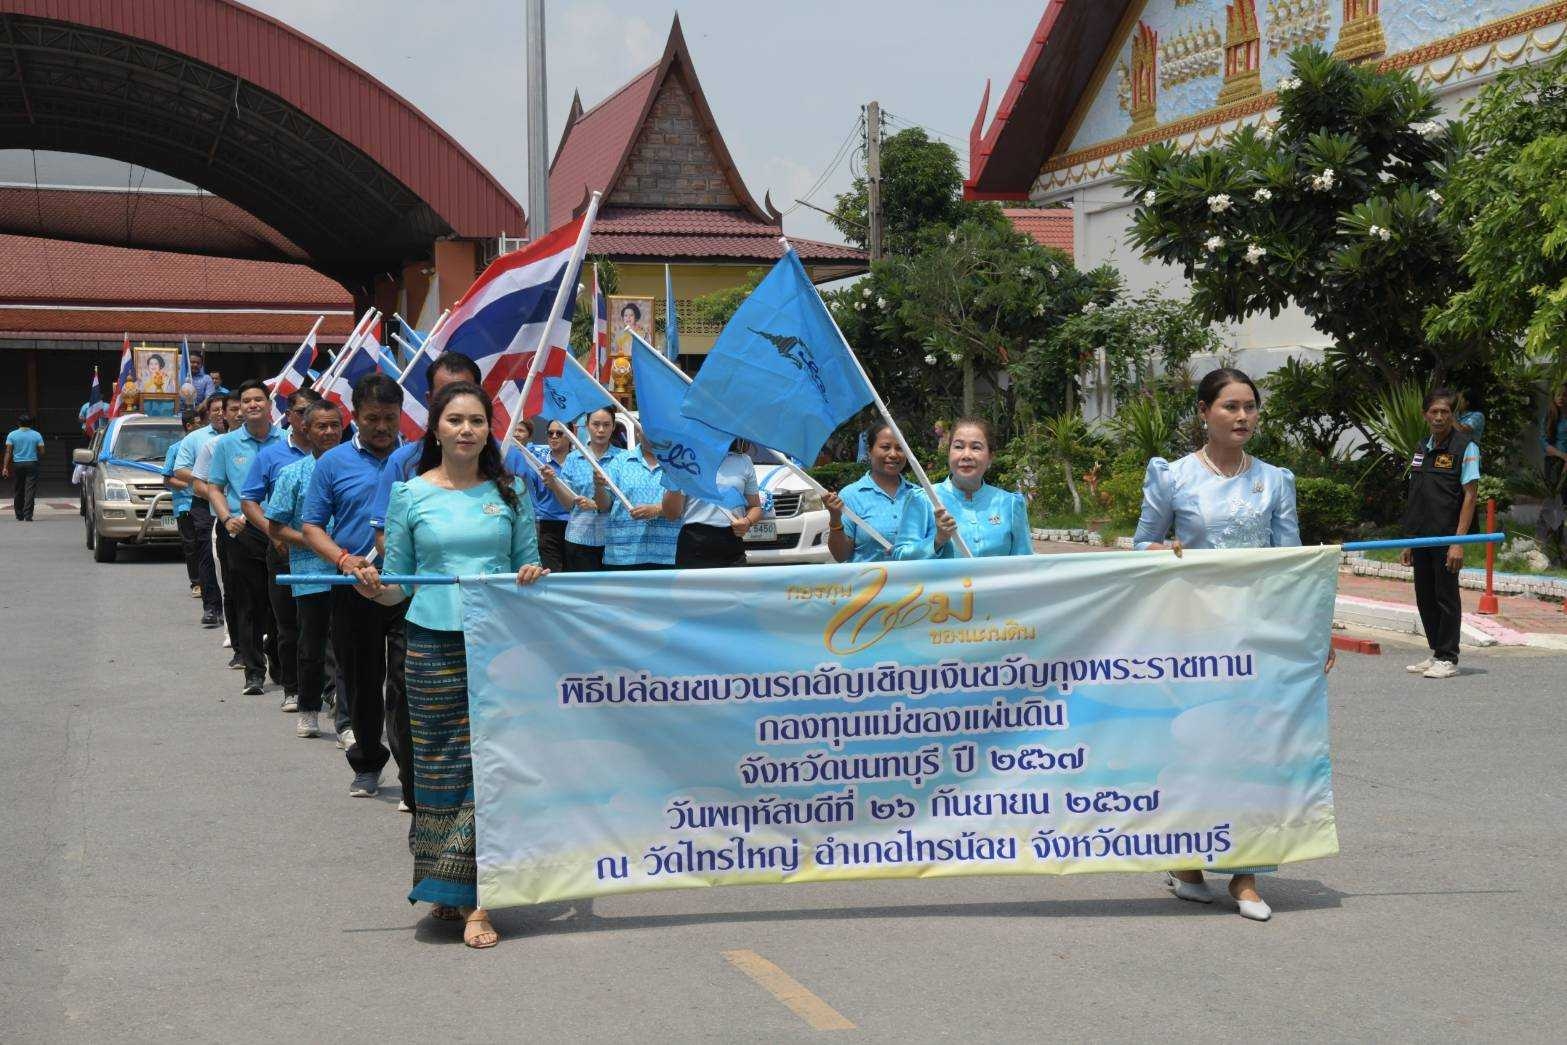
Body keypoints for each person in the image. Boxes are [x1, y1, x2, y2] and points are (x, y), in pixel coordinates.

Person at [1133, 366, 1331, 923]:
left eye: (1250, 407)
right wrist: (1161, 551)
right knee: (1197, 748)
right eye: (1230, 407)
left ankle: (1247, 877)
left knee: (1259, 751)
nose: (1243, 417)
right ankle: (1189, 865)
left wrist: (1315, 633)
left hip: (1260, 636)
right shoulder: (1172, 478)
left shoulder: (1275, 480)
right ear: (1204, 412)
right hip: (1193, 639)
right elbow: (1140, 546)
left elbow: (1293, 565)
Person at [357, 381, 545, 949]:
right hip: (430, 645)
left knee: (490, 765)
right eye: (456, 419)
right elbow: (399, 587)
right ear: (435, 427)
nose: (467, 430)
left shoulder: (511, 494)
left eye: (477, 421)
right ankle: (446, 882)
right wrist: (374, 589)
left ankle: (480, 902)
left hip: (499, 648)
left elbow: (529, 568)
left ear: (490, 430)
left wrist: (533, 579)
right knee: (437, 766)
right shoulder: (409, 495)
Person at [301, 373, 412, 804]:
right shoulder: (332, 463)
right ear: (356, 417)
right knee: (362, 680)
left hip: (408, 586)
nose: (381, 427)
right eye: (371, 419)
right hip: (353, 587)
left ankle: (412, 776)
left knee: (404, 683)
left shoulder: (417, 459)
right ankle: (366, 762)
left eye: (389, 418)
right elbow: (311, 526)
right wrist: (345, 560)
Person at [264, 399, 345, 741]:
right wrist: (315, 542)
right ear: (305, 430)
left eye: (334, 425)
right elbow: (276, 526)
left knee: (346, 647)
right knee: (311, 646)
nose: (328, 432)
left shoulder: (356, 468)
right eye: (320, 426)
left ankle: (347, 715)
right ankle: (308, 707)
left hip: (352, 573)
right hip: (310, 573)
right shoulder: (292, 474)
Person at [199, 379, 283, 697]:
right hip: (240, 530)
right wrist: (226, 518)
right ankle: (253, 670)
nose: (252, 405)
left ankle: (279, 662)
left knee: (279, 602)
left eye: (258, 399)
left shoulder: (286, 442)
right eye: (246, 400)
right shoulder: (226, 445)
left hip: (277, 530)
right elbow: (214, 487)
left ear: (269, 404)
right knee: (248, 602)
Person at [240, 389, 320, 713]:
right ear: (288, 416)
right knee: (287, 624)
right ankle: (293, 687)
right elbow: (249, 501)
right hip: (284, 549)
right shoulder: (272, 456)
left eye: (312, 411)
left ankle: (325, 689)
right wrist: (273, 534)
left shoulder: (334, 456)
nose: (306, 418)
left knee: (322, 624)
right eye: (300, 412)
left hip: (324, 553)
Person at [1399, 387, 1480, 681]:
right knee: (1425, 596)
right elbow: (1416, 493)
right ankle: (1436, 652)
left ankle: (1448, 656)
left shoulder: (1465, 447)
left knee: (1446, 597)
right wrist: (1409, 539)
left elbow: (1470, 496)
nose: (1439, 417)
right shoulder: (1422, 447)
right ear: (1425, 415)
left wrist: (1458, 543)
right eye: (1433, 411)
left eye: (1445, 412)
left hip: (1447, 537)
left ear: (1452, 415)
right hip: (1421, 535)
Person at [893, 419, 1031, 559]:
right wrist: (938, 540)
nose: (966, 455)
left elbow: (1025, 565)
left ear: (990, 457)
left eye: (976, 447)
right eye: (958, 447)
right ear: (948, 453)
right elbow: (900, 557)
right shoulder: (924, 499)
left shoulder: (1010, 503)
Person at [659, 440, 764, 569]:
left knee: (735, 589)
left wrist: (747, 522)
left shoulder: (744, 461)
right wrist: (674, 480)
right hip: (694, 543)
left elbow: (755, 507)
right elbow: (671, 514)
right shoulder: (686, 458)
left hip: (732, 542)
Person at [823, 424, 917, 563]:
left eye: (899, 448)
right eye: (885, 447)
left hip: (914, 584)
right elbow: (841, 555)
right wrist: (835, 518)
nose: (893, 454)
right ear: (869, 451)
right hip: (869, 583)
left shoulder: (918, 495)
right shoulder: (851, 495)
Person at [173, 396, 228, 628]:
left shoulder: (241, 438)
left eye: (223, 410)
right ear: (207, 414)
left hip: (238, 505)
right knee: (206, 554)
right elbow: (180, 470)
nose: (219, 414)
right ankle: (212, 607)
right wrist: (208, 485)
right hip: (204, 504)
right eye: (215, 410)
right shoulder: (196, 439)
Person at [596, 425, 681, 570]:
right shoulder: (619, 461)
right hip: (622, 555)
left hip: (666, 555)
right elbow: (604, 505)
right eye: (646, 430)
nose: (651, 435)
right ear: (637, 433)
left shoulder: (677, 463)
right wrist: (598, 486)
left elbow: (687, 503)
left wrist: (657, 509)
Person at [555, 406, 626, 571]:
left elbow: (626, 501)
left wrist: (594, 504)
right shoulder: (573, 459)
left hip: (614, 541)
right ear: (587, 425)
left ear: (613, 426)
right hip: (579, 539)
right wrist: (553, 484)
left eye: (606, 425)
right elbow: (567, 504)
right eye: (596, 424)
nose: (601, 430)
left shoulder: (624, 459)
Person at [163, 410, 203, 596]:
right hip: (185, 505)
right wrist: (191, 485)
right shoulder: (175, 448)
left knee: (206, 544)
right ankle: (196, 582)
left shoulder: (207, 445)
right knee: (191, 545)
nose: (201, 426)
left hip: (206, 503)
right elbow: (168, 479)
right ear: (189, 426)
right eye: (197, 423)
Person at [527, 420, 572, 573]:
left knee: (574, 575)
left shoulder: (579, 462)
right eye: (550, 433)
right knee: (553, 576)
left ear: (571, 436)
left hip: (575, 525)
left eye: (559, 433)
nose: (554, 437)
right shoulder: (537, 463)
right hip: (547, 525)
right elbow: (530, 494)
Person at [4, 414, 45, 521]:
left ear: (18, 423)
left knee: (18, 489)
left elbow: (8, 451)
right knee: (30, 490)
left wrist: (5, 467)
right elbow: (42, 451)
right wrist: (34, 454)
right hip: (32, 463)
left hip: (17, 464)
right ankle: (28, 515)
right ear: (31, 424)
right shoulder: (37, 435)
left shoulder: (12, 435)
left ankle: (19, 514)